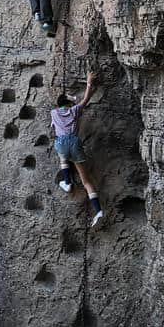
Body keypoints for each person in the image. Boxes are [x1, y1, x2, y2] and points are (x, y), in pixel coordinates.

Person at [52, 71, 104, 228]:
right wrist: (89, 83)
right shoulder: (74, 111)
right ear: (69, 104)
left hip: (60, 144)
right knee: (86, 181)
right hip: (74, 143)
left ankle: (67, 182)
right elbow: (85, 100)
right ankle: (99, 211)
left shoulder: (53, 113)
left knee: (62, 155)